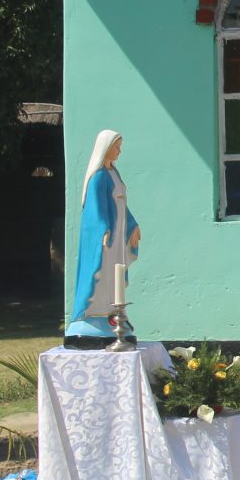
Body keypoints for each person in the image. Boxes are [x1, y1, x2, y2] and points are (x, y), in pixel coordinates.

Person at [66, 130, 140, 346]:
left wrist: (133, 226)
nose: (119, 151)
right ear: (106, 148)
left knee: (113, 274)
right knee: (101, 273)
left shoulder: (113, 173)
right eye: (116, 146)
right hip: (105, 238)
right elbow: (95, 208)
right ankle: (93, 315)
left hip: (117, 235)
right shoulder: (98, 176)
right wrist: (102, 229)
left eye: (119, 146)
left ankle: (112, 313)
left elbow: (121, 205)